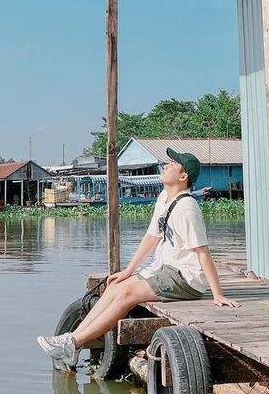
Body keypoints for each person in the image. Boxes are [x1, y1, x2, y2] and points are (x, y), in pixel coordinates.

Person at [37, 148, 240, 368]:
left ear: (183, 177)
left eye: (172, 164)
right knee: (116, 286)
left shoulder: (187, 207)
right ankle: (73, 340)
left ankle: (73, 343)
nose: (165, 165)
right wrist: (127, 271)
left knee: (126, 294)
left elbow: (202, 251)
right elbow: (151, 237)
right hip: (165, 270)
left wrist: (217, 294)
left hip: (185, 278)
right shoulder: (164, 198)